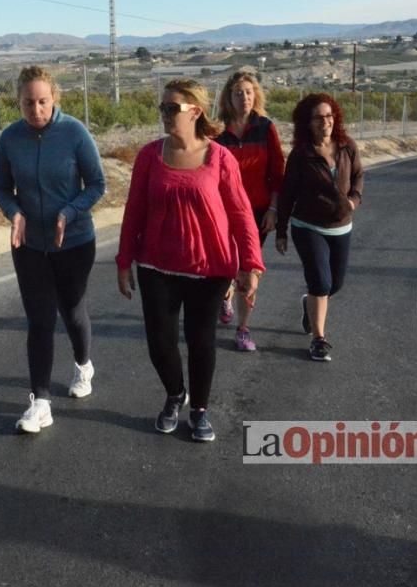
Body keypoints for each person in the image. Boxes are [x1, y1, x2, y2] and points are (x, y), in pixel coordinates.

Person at [116, 79, 263, 442]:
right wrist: (123, 260)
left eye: (172, 108)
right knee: (160, 342)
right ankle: (174, 393)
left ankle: (198, 410)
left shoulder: (219, 158)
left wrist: (250, 264)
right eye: (162, 108)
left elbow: (242, 213)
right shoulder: (150, 156)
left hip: (209, 268)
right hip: (156, 266)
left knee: (201, 342)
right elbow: (134, 210)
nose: (164, 115)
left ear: (195, 111)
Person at [0, 66, 106, 434]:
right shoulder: (10, 138)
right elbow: (0, 188)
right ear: (19, 102)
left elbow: (97, 184)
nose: (36, 109)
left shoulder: (73, 132)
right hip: (28, 244)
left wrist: (68, 212)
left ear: (54, 98)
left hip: (73, 241)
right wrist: (15, 213)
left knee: (71, 312)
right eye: (28, 102)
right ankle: (40, 402)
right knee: (40, 319)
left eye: (42, 101)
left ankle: (83, 363)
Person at [275, 93, 364, 362]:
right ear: (308, 122)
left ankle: (309, 304)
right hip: (307, 225)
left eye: (329, 116)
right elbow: (287, 192)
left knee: (334, 284)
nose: (325, 121)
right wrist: (281, 230)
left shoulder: (347, 146)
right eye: (318, 117)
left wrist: (354, 200)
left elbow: (358, 175)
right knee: (320, 283)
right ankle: (319, 339)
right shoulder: (301, 155)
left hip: (341, 226)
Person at [214, 70, 285, 351]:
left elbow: (277, 173)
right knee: (227, 266)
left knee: (249, 268)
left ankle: (243, 329)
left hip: (257, 212)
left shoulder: (266, 128)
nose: (243, 97)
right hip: (222, 212)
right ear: (228, 98)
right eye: (237, 93)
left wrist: (274, 209)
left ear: (255, 96)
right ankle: (225, 295)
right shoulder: (217, 132)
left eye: (248, 92)